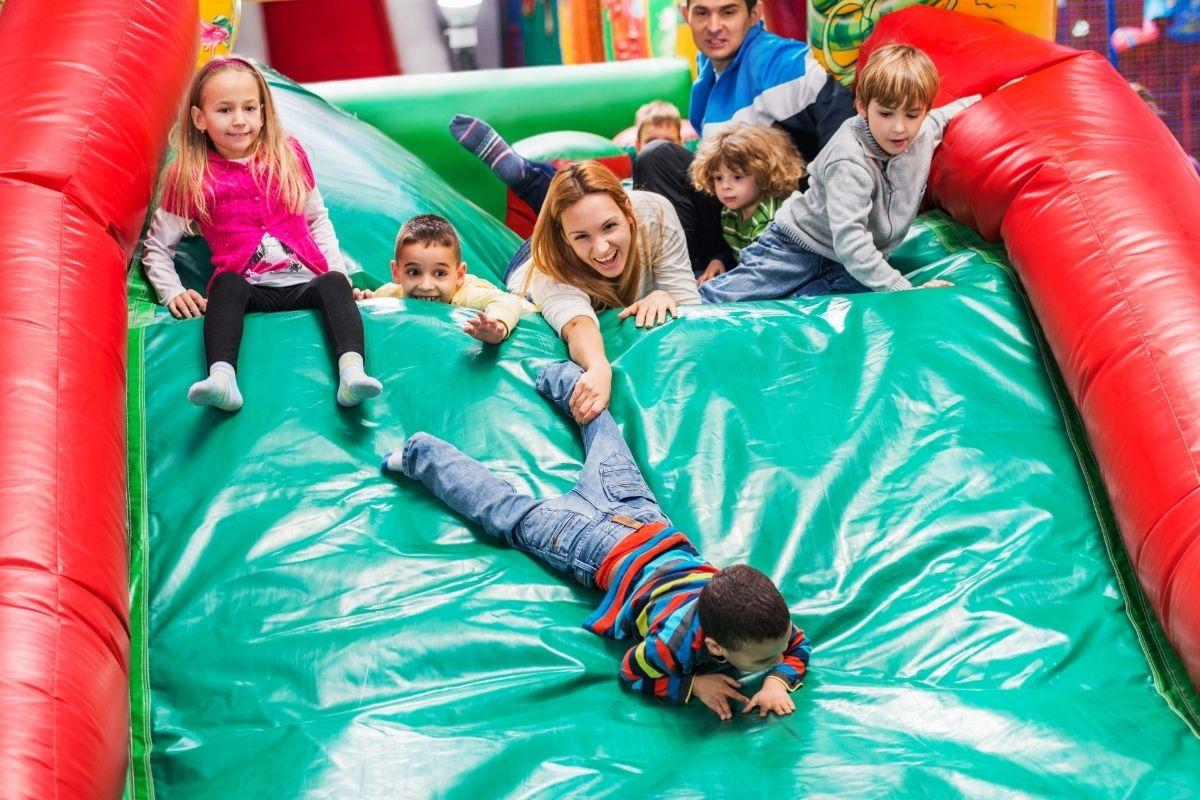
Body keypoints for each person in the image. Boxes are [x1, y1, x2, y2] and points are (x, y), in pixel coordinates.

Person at [384, 360, 812, 721]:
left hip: (643, 521)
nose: (775, 659)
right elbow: (633, 669)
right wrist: (693, 683)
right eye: (762, 662)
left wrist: (776, 680)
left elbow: (796, 643)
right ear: (714, 646)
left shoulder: (765, 626)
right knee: (505, 513)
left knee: (608, 443)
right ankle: (423, 455)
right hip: (588, 546)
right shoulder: (675, 643)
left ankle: (565, 376)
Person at [142, 56, 380, 411]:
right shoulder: (190, 174)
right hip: (250, 289)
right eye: (224, 110)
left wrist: (339, 275)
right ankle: (222, 378)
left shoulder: (289, 155)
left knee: (333, 284)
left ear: (263, 112)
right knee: (224, 286)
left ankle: (351, 373)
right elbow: (157, 247)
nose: (239, 120)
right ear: (199, 118)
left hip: (305, 282)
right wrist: (171, 291)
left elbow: (318, 221)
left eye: (249, 108)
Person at [699, 44, 981, 303]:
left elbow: (945, 116)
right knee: (725, 298)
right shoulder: (849, 158)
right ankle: (672, 311)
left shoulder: (922, 132)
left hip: (846, 261)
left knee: (799, 308)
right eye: (886, 114)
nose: (899, 128)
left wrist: (996, 92)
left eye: (911, 115)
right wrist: (902, 291)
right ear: (862, 107)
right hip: (797, 246)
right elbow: (851, 240)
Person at [632, 0, 856, 279]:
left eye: (728, 12)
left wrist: (830, 210)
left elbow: (845, 124)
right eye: (702, 13)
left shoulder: (782, 64)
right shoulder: (708, 73)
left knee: (658, 156)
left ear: (754, 14)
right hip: (735, 219)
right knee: (658, 158)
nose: (714, 27)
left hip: (788, 223)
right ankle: (688, 274)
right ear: (686, 15)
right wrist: (720, 254)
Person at [356, 214, 532, 344]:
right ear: (396, 272)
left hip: (530, 308)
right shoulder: (393, 293)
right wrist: (365, 301)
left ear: (459, 275)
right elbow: (374, 298)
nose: (426, 286)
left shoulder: (466, 294)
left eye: (439, 274)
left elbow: (508, 302)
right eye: (414, 272)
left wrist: (498, 326)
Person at [688, 123, 805, 284]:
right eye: (718, 178)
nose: (725, 186)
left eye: (737, 177)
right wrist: (720, 260)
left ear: (763, 174)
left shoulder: (770, 218)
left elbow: (762, 273)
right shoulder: (730, 212)